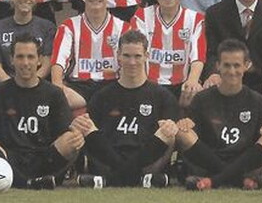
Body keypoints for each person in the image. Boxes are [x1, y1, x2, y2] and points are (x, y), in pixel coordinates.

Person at [0, 35, 84, 189]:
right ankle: (27, 183)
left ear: (39, 60)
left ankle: (39, 178)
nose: (25, 63)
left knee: (73, 138)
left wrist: (75, 136)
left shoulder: (53, 94)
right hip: (7, 158)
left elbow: (66, 132)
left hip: (45, 158)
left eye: (30, 57)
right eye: (20, 57)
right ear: (12, 60)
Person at [70, 30, 180, 188]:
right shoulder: (102, 96)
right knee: (86, 126)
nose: (132, 62)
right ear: (118, 56)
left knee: (168, 132)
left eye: (137, 56)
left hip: (147, 163)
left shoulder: (163, 96)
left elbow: (168, 139)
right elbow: (92, 140)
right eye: (127, 56)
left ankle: (110, 180)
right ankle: (138, 179)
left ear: (147, 56)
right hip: (109, 161)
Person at [175, 40, 262, 190]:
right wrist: (185, 124)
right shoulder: (201, 99)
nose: (232, 71)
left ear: (246, 65)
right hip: (210, 160)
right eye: (226, 65)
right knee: (182, 133)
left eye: (237, 65)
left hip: (244, 160)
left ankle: (213, 181)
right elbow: (191, 132)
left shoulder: (257, 100)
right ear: (218, 65)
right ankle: (237, 180)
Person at [51, 0, 126, 115]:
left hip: (112, 86)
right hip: (79, 87)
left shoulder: (123, 27)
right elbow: (58, 64)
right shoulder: (68, 26)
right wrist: (58, 91)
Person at [129, 0, 205, 107]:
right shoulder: (141, 17)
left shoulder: (195, 19)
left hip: (180, 86)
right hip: (149, 84)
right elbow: (137, 55)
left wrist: (192, 81)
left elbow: (197, 57)